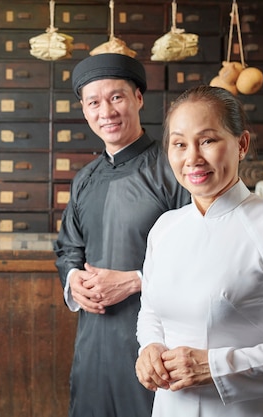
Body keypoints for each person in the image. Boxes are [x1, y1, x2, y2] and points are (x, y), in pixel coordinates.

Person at [135, 85, 263, 416]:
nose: (192, 158)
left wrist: (215, 366)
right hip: (170, 406)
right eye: (179, 144)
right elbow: (150, 310)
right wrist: (149, 347)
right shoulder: (164, 228)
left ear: (242, 144)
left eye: (207, 140)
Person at [53, 53, 190, 417]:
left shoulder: (174, 169)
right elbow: (68, 247)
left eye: (116, 97)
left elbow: (202, 252)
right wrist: (73, 280)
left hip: (157, 341)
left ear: (138, 98)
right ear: (84, 110)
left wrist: (134, 281)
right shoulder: (85, 179)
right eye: (94, 102)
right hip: (93, 339)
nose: (106, 112)